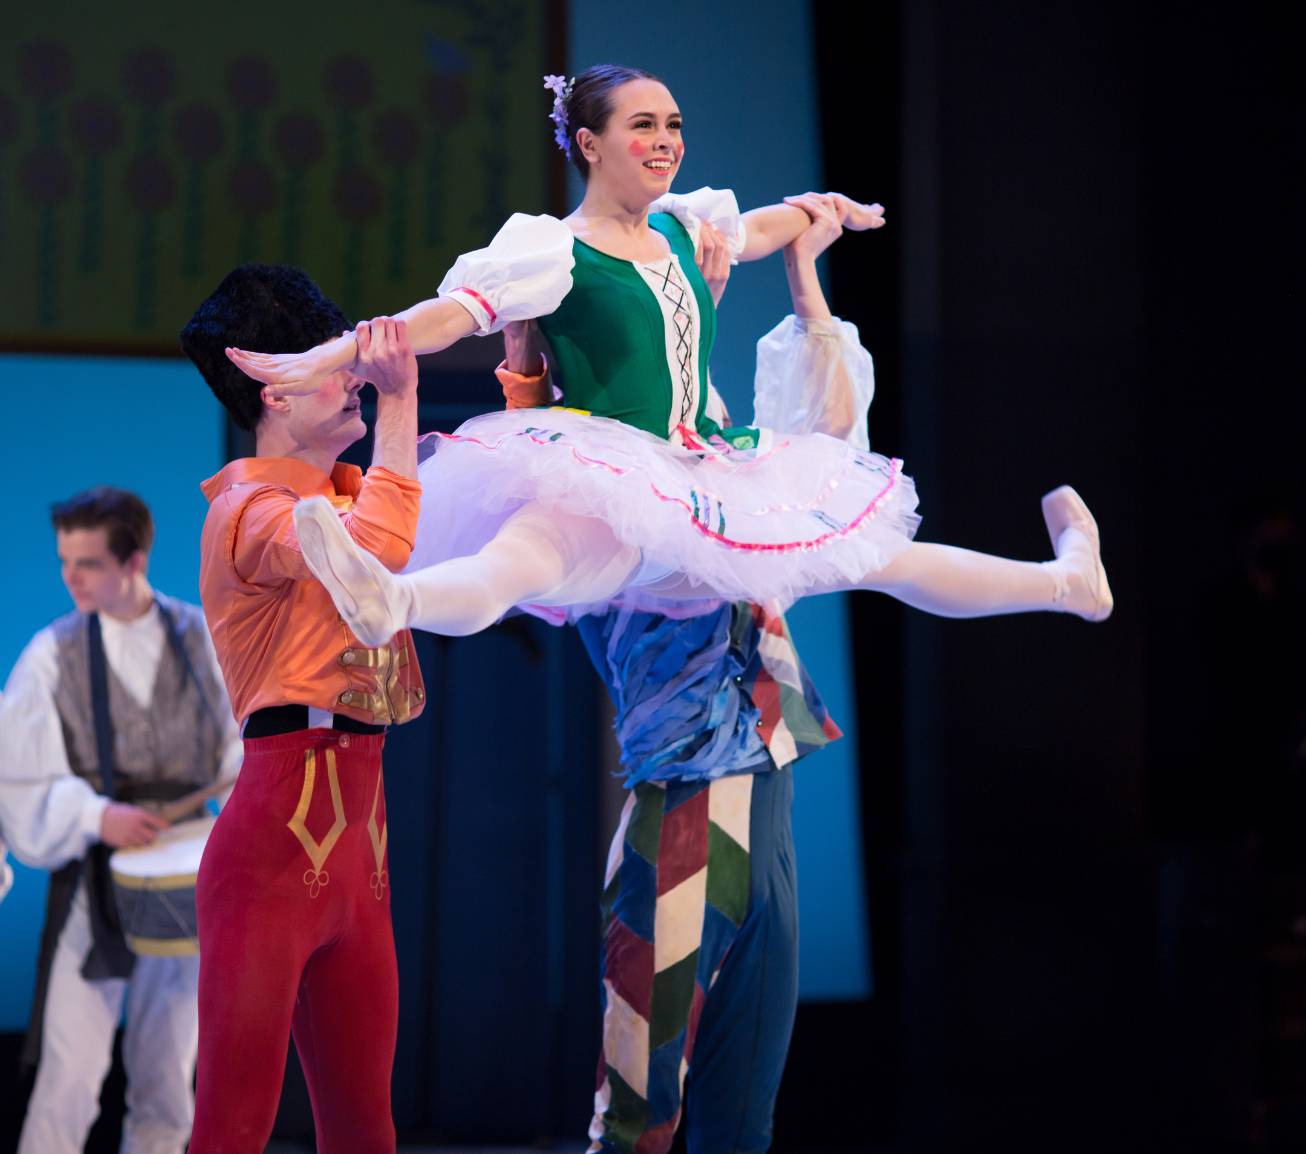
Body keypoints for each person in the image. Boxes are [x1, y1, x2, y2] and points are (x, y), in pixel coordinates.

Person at [225, 63, 1110, 650]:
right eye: (642, 125)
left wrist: (818, 209)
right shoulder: (551, 251)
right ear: (588, 143)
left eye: (673, 126)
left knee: (885, 560)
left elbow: (767, 225)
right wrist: (325, 355)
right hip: (614, 478)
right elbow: (445, 317)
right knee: (520, 560)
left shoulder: (690, 225)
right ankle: (395, 602)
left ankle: (1068, 584)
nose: (665, 141)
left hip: (716, 475)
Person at [530, 203, 870, 1153]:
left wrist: (800, 270)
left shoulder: (714, 457)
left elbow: (832, 440)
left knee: (741, 1120)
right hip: (682, 810)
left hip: (765, 791)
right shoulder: (592, 481)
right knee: (638, 1119)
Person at [180, 265, 424, 1154]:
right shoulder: (247, 511)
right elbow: (375, 559)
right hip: (269, 853)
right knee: (233, 1128)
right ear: (274, 391)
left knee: (367, 1132)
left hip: (364, 845)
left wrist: (520, 363)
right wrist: (401, 404)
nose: (358, 374)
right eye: (334, 361)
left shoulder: (352, 495)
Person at [0, 487, 242, 1154]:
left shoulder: (202, 637)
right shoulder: (53, 653)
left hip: (186, 880)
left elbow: (240, 743)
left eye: (88, 564)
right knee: (68, 1079)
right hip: (98, 878)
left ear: (133, 561)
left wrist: (229, 815)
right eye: (64, 562)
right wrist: (97, 815)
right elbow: (17, 770)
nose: (69, 578)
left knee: (167, 1076)